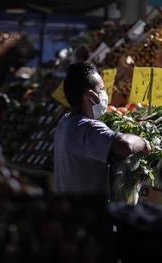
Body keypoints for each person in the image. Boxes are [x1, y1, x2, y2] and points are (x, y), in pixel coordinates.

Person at [53, 62, 150, 196]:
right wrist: (142, 142)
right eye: (102, 89)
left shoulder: (65, 122)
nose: (105, 94)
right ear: (91, 96)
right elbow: (124, 145)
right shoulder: (86, 128)